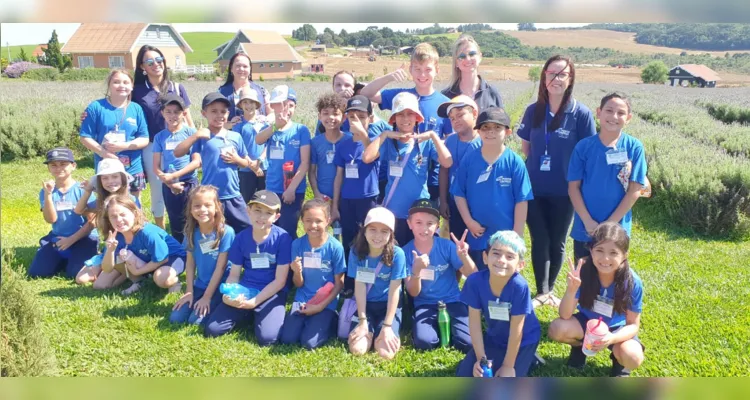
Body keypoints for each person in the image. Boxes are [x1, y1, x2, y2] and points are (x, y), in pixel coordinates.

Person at [517, 55, 597, 309]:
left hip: (566, 191)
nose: (556, 79)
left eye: (562, 74)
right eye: (551, 73)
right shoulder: (533, 111)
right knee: (539, 237)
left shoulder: (581, 114)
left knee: (558, 240)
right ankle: (542, 290)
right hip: (534, 189)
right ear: (543, 77)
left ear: (570, 78)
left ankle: (550, 289)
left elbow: (588, 152)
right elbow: (526, 149)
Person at [547, 222, 645, 377]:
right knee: (557, 329)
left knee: (633, 357)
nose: (605, 258)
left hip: (616, 329)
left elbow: (633, 325)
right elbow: (565, 315)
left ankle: (618, 362)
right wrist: (571, 290)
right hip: (587, 322)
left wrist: (611, 338)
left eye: (613, 252)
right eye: (599, 250)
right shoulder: (583, 272)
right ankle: (580, 347)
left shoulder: (632, 281)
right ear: (591, 251)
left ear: (624, 256)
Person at [361, 43, 453, 203]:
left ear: (437, 70)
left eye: (428, 69)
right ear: (410, 70)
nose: (422, 74)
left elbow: (451, 142)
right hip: (396, 173)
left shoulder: (445, 105)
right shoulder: (401, 96)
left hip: (431, 179)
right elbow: (366, 94)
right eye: (417, 69)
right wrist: (390, 77)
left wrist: (430, 140)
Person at [362, 92, 453, 246]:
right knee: (394, 256)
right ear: (394, 119)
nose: (405, 119)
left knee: (416, 254)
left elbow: (447, 162)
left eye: (410, 114)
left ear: (417, 118)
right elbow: (367, 157)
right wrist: (384, 135)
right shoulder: (389, 142)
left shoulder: (425, 142)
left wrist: (433, 136)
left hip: (419, 213)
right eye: (400, 114)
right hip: (393, 212)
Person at [203, 191, 292, 346]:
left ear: (276, 217)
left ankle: (253, 311)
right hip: (246, 289)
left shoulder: (283, 239)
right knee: (212, 329)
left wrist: (254, 302)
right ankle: (248, 313)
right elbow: (234, 274)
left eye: (268, 213)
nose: (261, 217)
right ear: (248, 211)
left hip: (272, 292)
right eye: (257, 210)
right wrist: (230, 293)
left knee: (268, 339)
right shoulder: (240, 239)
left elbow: (280, 281)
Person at [567, 92, 648, 262]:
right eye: (609, 111)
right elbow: (573, 188)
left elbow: (635, 189)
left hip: (617, 228)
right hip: (586, 228)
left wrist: (609, 224)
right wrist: (588, 221)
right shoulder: (583, 147)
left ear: (629, 118)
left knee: (612, 274)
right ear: (599, 112)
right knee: (584, 276)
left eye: (621, 113)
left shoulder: (634, 147)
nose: (614, 116)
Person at [451, 108, 533, 270]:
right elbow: (459, 193)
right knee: (480, 276)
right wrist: (469, 222)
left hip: (506, 237)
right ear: (479, 132)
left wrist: (516, 236)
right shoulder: (470, 159)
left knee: (505, 279)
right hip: (478, 235)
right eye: (485, 128)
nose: (490, 132)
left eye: (497, 128)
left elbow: (522, 201)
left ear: (508, 132)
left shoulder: (515, 162)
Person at [455, 231, 541, 377]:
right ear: (485, 257)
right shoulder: (475, 282)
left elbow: (517, 330)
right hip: (495, 336)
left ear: (520, 265)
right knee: (465, 374)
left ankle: (529, 357)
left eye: (510, 256)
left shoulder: (519, 286)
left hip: (524, 339)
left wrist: (508, 366)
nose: (501, 260)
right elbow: (474, 324)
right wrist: (480, 359)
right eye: (496, 253)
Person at [132, 45, 195, 229]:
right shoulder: (137, 91)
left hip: (181, 143)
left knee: (185, 183)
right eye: (149, 61)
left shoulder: (176, 87)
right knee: (158, 188)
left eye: (159, 60)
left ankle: (187, 226)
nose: (155, 64)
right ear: (142, 67)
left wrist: (193, 142)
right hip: (153, 146)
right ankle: (161, 230)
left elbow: (188, 118)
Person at [402, 199, 476, 352]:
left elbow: (473, 275)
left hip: (453, 301)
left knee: (468, 343)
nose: (424, 228)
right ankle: (434, 329)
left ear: (437, 225)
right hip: (425, 304)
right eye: (418, 222)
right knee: (425, 342)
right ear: (409, 224)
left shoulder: (447, 246)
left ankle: (453, 330)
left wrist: (464, 256)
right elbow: (413, 292)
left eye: (430, 223)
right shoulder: (405, 252)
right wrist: (416, 271)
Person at [173, 92, 254, 234]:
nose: (219, 115)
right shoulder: (202, 136)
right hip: (210, 197)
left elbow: (245, 163)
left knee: (246, 229)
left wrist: (237, 160)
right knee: (212, 231)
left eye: (223, 111)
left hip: (232, 194)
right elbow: (178, 152)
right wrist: (196, 135)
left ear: (228, 113)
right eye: (214, 111)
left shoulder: (235, 136)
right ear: (204, 113)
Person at [280, 199, 346, 350]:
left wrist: (320, 307)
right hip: (303, 298)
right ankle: (312, 321)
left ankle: (330, 318)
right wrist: (297, 271)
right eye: (308, 220)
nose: (313, 225)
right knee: (287, 339)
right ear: (302, 221)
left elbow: (339, 284)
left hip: (326, 301)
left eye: (318, 221)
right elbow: (299, 284)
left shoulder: (335, 248)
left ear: (328, 221)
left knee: (308, 343)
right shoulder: (297, 245)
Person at [28, 148, 98, 280]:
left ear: (73, 166)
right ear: (48, 168)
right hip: (59, 237)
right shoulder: (46, 191)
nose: (58, 168)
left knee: (74, 274)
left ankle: (79, 259)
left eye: (63, 164)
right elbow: (51, 219)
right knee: (37, 273)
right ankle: (62, 258)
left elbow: (93, 222)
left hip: (83, 237)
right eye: (53, 165)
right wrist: (48, 195)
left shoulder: (83, 189)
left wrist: (71, 240)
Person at [79, 69, 149, 199]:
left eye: (126, 82)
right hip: (107, 169)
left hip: (132, 167)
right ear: (109, 85)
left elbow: (144, 138)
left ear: (132, 86)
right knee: (107, 206)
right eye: (116, 82)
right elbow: (85, 137)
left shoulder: (136, 108)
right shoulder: (96, 107)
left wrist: (124, 146)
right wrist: (104, 153)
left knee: (133, 205)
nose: (121, 85)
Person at [170, 185, 235, 325]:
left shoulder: (225, 232)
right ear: (191, 209)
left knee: (195, 321)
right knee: (175, 318)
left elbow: (221, 268)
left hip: (219, 286)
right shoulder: (191, 232)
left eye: (208, 205)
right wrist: (189, 291)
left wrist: (207, 297)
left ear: (217, 207)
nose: (202, 210)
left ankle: (217, 304)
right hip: (200, 284)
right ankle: (197, 299)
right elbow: (190, 263)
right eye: (197, 206)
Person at [347, 207, 406, 360]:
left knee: (386, 353)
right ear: (364, 230)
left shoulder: (397, 254)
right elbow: (359, 286)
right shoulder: (355, 251)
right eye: (373, 229)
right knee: (357, 349)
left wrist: (387, 326)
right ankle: (369, 330)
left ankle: (380, 330)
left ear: (391, 234)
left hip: (388, 306)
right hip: (365, 305)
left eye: (384, 231)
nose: (377, 236)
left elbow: (395, 290)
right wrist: (362, 321)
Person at [98, 194, 186, 295]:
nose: (118, 220)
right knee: (100, 284)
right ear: (108, 219)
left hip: (172, 257)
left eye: (123, 214)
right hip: (147, 260)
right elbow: (107, 268)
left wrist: (137, 272)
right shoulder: (114, 235)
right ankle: (139, 281)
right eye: (113, 216)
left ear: (134, 213)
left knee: (163, 279)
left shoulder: (147, 232)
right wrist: (110, 250)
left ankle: (175, 282)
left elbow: (163, 259)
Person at [255, 85, 310, 239]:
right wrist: (275, 126)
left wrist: (291, 189)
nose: (286, 109)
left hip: (293, 190)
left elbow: (305, 163)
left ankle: (291, 263)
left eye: (290, 105)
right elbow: (258, 140)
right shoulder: (270, 128)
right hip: (273, 188)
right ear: (273, 106)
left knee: (288, 231)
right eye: (281, 105)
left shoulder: (301, 130)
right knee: (271, 230)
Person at [332, 95, 381, 256]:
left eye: (362, 117)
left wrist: (363, 135)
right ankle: (350, 277)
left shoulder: (375, 141)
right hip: (347, 200)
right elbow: (339, 177)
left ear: (370, 118)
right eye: (352, 117)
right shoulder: (343, 145)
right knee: (349, 239)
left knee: (369, 238)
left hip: (368, 199)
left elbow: (371, 155)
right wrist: (335, 206)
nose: (357, 121)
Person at [152, 94, 200, 243]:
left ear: (184, 113)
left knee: (193, 216)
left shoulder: (191, 134)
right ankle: (180, 251)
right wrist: (168, 182)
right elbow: (156, 166)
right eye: (168, 111)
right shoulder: (159, 137)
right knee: (175, 218)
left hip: (189, 182)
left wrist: (176, 175)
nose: (173, 115)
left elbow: (196, 162)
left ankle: (194, 247)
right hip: (169, 184)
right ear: (162, 113)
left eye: (177, 112)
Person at [437, 95, 482, 240]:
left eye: (460, 115)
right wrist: (443, 200)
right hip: (454, 202)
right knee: (457, 242)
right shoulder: (450, 141)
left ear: (475, 113)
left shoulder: (484, 141)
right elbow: (444, 170)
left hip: (476, 203)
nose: (455, 120)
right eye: (452, 118)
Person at [441, 34, 504, 111]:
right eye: (462, 56)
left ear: (480, 57)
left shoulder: (492, 93)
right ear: (456, 62)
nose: (468, 59)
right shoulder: (445, 96)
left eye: (472, 54)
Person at [310, 93, 349, 201]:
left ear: (344, 117)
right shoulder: (315, 143)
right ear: (319, 116)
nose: (331, 117)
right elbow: (312, 171)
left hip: (346, 195)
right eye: (326, 113)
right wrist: (316, 193)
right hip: (323, 196)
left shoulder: (350, 140)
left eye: (336, 114)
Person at [232, 89, 268, 203]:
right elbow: (238, 148)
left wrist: (259, 161)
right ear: (241, 105)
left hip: (263, 167)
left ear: (256, 104)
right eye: (245, 102)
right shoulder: (238, 125)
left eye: (251, 102)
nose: (248, 105)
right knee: (246, 200)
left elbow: (268, 144)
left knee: (264, 200)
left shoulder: (264, 123)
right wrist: (252, 165)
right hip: (245, 169)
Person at [218, 52, 270, 119]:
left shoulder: (262, 91)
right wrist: (230, 124)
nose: (241, 69)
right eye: (238, 66)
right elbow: (216, 121)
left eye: (245, 66)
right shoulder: (221, 93)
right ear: (231, 68)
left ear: (250, 69)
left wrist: (265, 120)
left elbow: (272, 113)